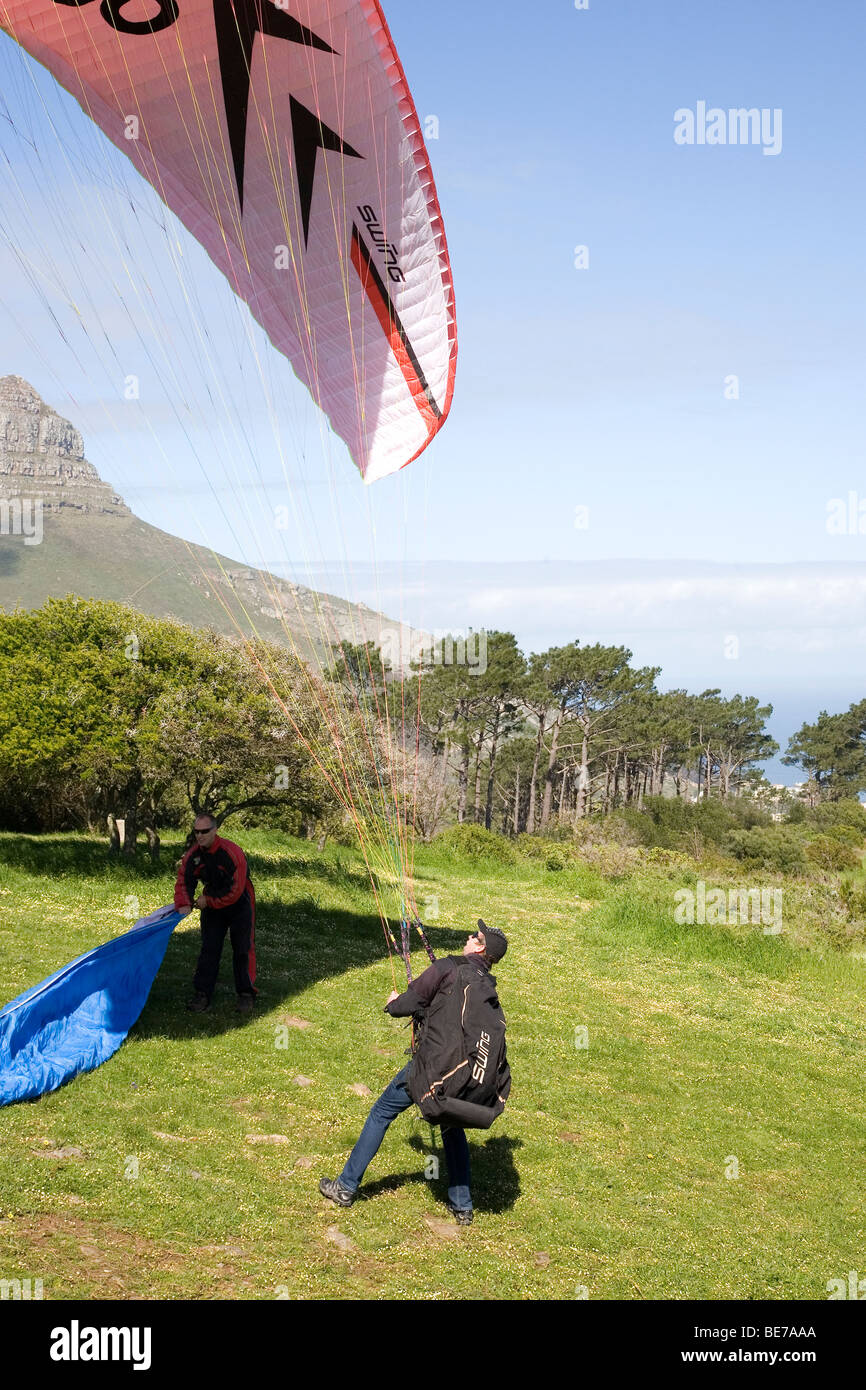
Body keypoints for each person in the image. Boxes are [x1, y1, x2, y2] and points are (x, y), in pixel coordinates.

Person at [319, 920, 508, 1225]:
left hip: (430, 1071)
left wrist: (394, 1004)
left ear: (481, 947)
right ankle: (463, 1206)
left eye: (475, 935)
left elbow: (411, 1001)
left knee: (381, 1113)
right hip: (460, 1079)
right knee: (451, 1124)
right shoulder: (487, 985)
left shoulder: (448, 967)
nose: (469, 936)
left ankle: (345, 1187)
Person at [175, 815, 257, 1014]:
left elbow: (235, 891)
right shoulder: (193, 855)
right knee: (209, 949)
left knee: (242, 949)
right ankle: (202, 994)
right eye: (197, 832)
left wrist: (208, 901)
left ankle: (246, 994)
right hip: (211, 905)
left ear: (215, 830)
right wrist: (184, 903)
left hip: (239, 903)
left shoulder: (232, 853)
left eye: (204, 831)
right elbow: (184, 881)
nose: (200, 836)